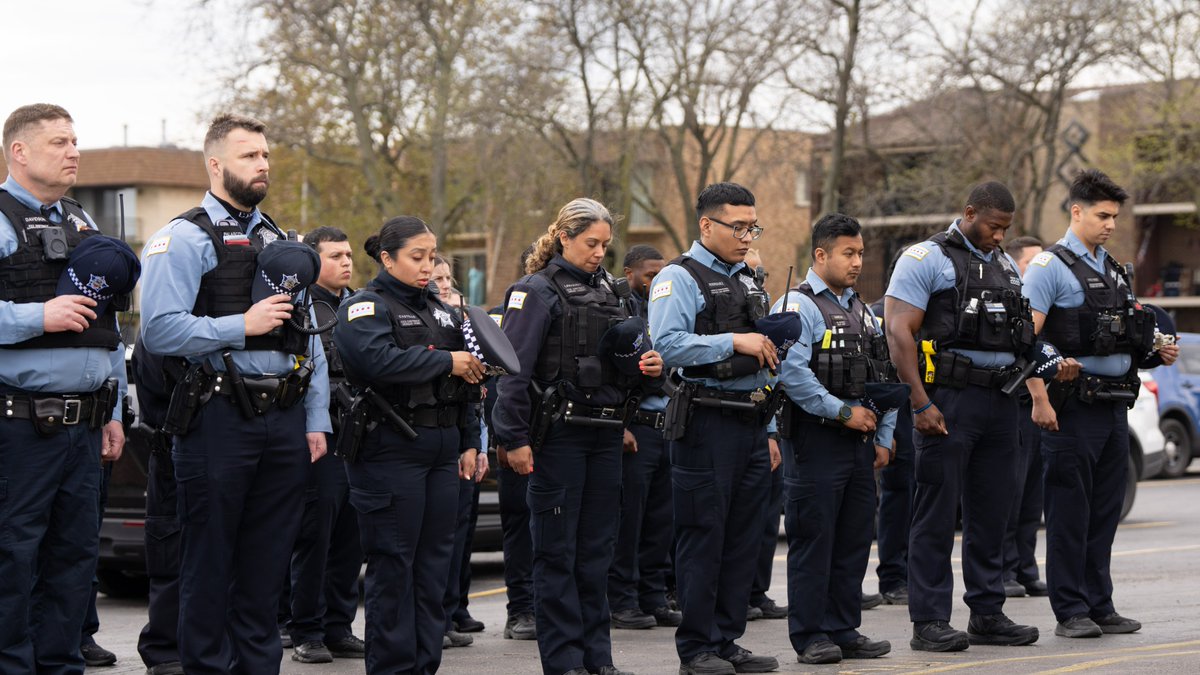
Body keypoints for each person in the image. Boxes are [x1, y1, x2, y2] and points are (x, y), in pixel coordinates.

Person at [139, 113, 331, 675]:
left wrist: (316, 417)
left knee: (268, 566)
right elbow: (159, 330)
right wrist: (238, 326)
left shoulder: (278, 240)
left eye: (266, 155)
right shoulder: (182, 238)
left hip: (285, 420)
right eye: (250, 156)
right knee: (207, 561)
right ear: (216, 164)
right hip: (216, 417)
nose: (263, 164)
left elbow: (309, 338)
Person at [494, 198, 662, 675]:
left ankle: (598, 660)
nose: (599, 253)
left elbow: (628, 364)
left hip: (606, 434)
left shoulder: (614, 293)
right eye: (592, 243)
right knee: (557, 553)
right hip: (559, 437)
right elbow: (513, 369)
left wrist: (649, 367)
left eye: (606, 245)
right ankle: (564, 662)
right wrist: (513, 438)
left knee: (596, 554)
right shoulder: (535, 291)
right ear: (564, 237)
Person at [0, 103, 132, 674]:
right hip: (19, 426)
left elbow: (108, 330)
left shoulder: (81, 224)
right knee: (13, 557)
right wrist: (39, 316)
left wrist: (114, 407)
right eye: (58, 142)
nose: (74, 151)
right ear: (19, 152)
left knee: (75, 558)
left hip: (86, 424)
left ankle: (60, 665)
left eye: (75, 141)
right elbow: (51, 314)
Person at [1022, 169, 1179, 638]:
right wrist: (1039, 399)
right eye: (1102, 215)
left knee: (1105, 511)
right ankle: (1070, 610)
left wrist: (1156, 349)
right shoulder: (1049, 268)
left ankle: (1099, 604)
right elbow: (1025, 340)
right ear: (1077, 211)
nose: (1110, 223)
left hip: (1114, 406)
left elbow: (1126, 334)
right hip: (1071, 407)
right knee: (1070, 511)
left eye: (1114, 216)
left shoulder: (1111, 267)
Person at [885, 182, 1041, 652]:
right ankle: (929, 620)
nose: (999, 236)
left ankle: (987, 613)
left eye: (1005, 229)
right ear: (969, 212)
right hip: (948, 400)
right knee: (935, 513)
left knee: (993, 514)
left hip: (999, 402)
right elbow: (898, 331)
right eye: (994, 226)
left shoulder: (1005, 264)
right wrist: (920, 402)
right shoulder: (924, 258)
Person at [331, 216, 484, 674]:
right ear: (387, 258)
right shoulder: (365, 307)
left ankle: (423, 664)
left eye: (432, 256)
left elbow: (470, 377)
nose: (427, 265)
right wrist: (446, 362)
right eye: (416, 257)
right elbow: (377, 360)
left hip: (442, 448)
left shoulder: (443, 310)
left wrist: (471, 440)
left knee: (434, 566)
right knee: (394, 565)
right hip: (389, 448)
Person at [648, 182, 781, 675]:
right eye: (738, 227)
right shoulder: (677, 278)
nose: (747, 236)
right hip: (705, 421)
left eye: (753, 227)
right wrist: (735, 341)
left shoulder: (747, 279)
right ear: (707, 225)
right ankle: (697, 648)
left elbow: (761, 347)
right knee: (703, 536)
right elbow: (668, 345)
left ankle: (727, 640)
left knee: (743, 538)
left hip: (749, 420)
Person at [773, 213, 897, 664]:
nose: (857, 261)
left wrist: (883, 432)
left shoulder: (861, 310)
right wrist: (843, 412)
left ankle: (844, 628)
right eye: (849, 253)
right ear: (821, 254)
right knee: (814, 540)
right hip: (817, 439)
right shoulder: (796, 305)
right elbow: (791, 373)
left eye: (861, 253)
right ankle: (810, 635)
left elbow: (883, 374)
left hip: (860, 442)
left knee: (852, 539)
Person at [287, 226, 366, 663]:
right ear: (313, 261)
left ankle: (338, 626)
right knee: (315, 538)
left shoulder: (359, 306)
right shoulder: (303, 307)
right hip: (322, 435)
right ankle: (307, 631)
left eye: (349, 254)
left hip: (360, 438)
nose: (346, 262)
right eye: (335, 255)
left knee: (350, 539)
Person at [607, 244, 682, 631]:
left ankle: (653, 596)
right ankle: (622, 600)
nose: (655, 281)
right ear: (629, 273)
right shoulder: (617, 309)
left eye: (660, 274)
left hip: (666, 425)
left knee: (660, 521)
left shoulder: (666, 308)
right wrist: (620, 425)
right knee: (629, 520)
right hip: (634, 426)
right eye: (649, 275)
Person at [742, 248, 789, 623]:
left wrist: (771, 431)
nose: (757, 282)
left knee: (764, 518)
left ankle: (756, 590)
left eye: (762, 275)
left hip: (762, 421)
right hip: (719, 419)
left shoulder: (764, 309)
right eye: (750, 274)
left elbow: (770, 377)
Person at [1001, 235, 1049, 599]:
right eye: (1032, 262)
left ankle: (1025, 568)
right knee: (1009, 492)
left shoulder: (1047, 304)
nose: (1039, 269)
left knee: (1032, 493)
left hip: (1040, 408)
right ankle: (1003, 570)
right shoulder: (1012, 302)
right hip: (1013, 402)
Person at [495, 248, 538, 642]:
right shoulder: (505, 313)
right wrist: (508, 437)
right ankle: (520, 610)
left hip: (556, 435)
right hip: (519, 437)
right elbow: (504, 381)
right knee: (520, 527)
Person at [871, 247, 915, 607]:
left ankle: (916, 572)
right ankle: (893, 577)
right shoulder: (873, 315)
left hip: (927, 410)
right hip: (895, 415)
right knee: (897, 496)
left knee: (924, 496)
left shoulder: (927, 312)